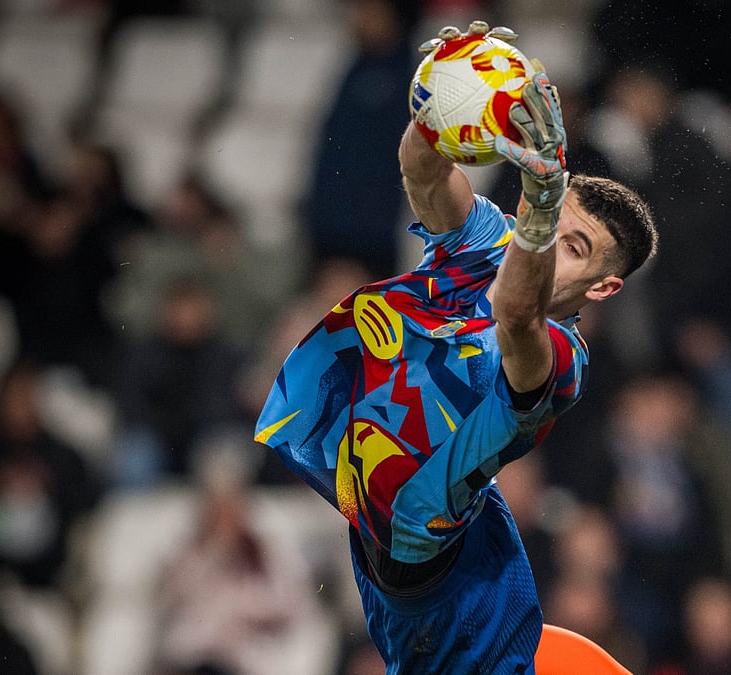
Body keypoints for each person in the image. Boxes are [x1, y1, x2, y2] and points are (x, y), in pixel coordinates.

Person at [254, 22, 658, 673]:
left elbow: (516, 315)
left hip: (430, 559)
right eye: (559, 227)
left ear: (606, 286)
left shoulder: (562, 360)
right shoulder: (491, 242)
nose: (554, 245)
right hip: (429, 533)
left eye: (576, 247)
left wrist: (540, 207)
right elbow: (420, 173)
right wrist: (439, 103)